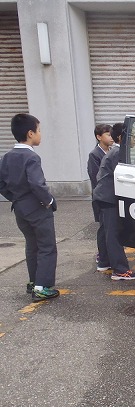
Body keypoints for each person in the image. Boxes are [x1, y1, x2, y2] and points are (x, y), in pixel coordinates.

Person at [0, 113, 59, 301]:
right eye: (39, 130)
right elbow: (37, 184)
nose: (40, 134)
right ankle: (42, 287)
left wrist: (15, 198)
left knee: (32, 245)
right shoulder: (31, 157)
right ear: (30, 133)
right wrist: (49, 201)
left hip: (19, 209)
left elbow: (1, 184)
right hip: (37, 208)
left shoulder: (7, 157)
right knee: (47, 247)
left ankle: (34, 282)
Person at [92, 123, 135, 281]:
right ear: (121, 137)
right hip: (109, 198)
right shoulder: (118, 153)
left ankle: (104, 262)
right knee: (113, 234)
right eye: (132, 136)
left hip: (104, 196)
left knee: (107, 231)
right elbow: (125, 178)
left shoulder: (115, 152)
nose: (134, 139)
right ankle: (120, 270)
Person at [87, 123, 113, 266]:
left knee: (109, 228)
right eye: (108, 134)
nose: (111, 137)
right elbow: (95, 177)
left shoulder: (111, 151)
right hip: (102, 197)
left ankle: (107, 253)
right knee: (103, 228)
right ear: (99, 137)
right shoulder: (94, 155)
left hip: (110, 196)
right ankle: (102, 255)